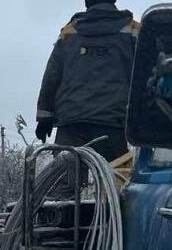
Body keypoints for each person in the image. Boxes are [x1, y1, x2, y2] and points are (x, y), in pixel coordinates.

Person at [35, 0, 138, 162]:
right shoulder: (133, 31)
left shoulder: (69, 33)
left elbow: (52, 77)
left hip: (72, 125)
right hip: (113, 123)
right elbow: (146, 74)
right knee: (116, 180)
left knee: (65, 179)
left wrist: (44, 118)